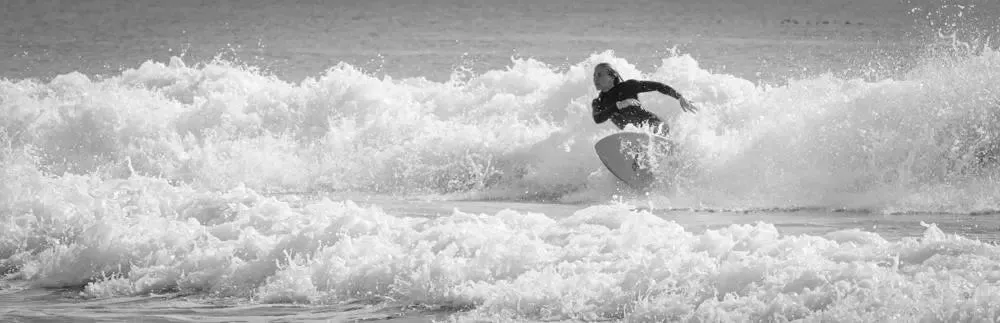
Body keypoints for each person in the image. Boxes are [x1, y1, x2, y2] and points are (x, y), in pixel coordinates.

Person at [591, 62, 698, 135]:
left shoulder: (628, 87)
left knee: (653, 131)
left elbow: (658, 86)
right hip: (636, 135)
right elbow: (598, 118)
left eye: (599, 75)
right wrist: (619, 105)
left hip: (656, 125)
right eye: (594, 75)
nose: (595, 78)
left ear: (612, 76)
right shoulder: (598, 102)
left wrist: (679, 97)